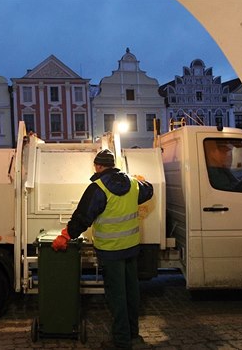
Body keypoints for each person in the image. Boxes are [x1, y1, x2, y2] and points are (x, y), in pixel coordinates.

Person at [52, 149, 153, 349]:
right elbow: (149, 190)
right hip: (131, 249)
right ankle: (132, 335)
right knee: (131, 293)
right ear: (113, 165)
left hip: (111, 252)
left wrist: (65, 235)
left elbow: (83, 217)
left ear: (98, 166)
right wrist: (139, 179)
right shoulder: (133, 184)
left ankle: (122, 341)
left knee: (117, 297)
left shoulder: (98, 188)